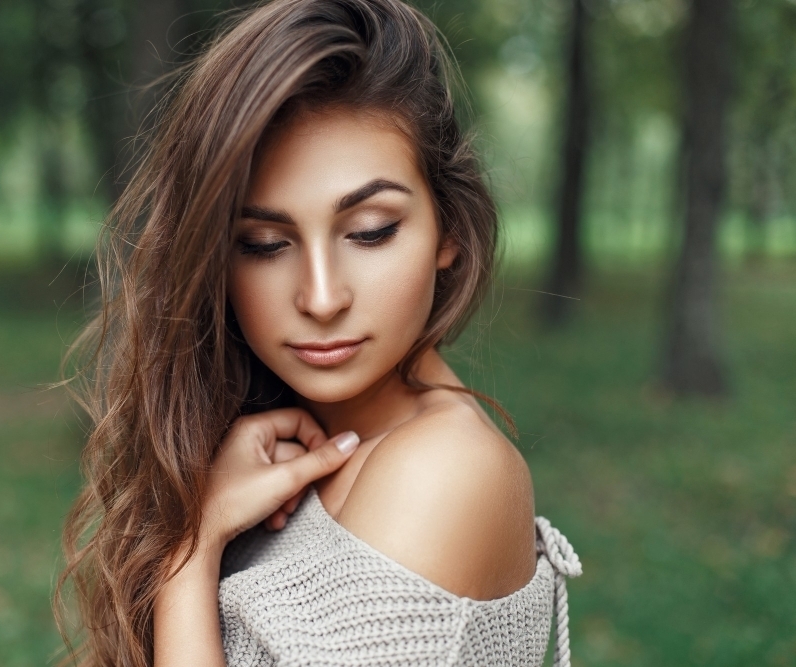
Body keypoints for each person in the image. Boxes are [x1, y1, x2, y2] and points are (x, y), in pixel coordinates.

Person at [55, 0, 582, 665]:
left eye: (370, 232)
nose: (322, 297)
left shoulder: (446, 471)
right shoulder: (258, 448)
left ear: (448, 229)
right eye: (265, 243)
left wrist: (189, 555)